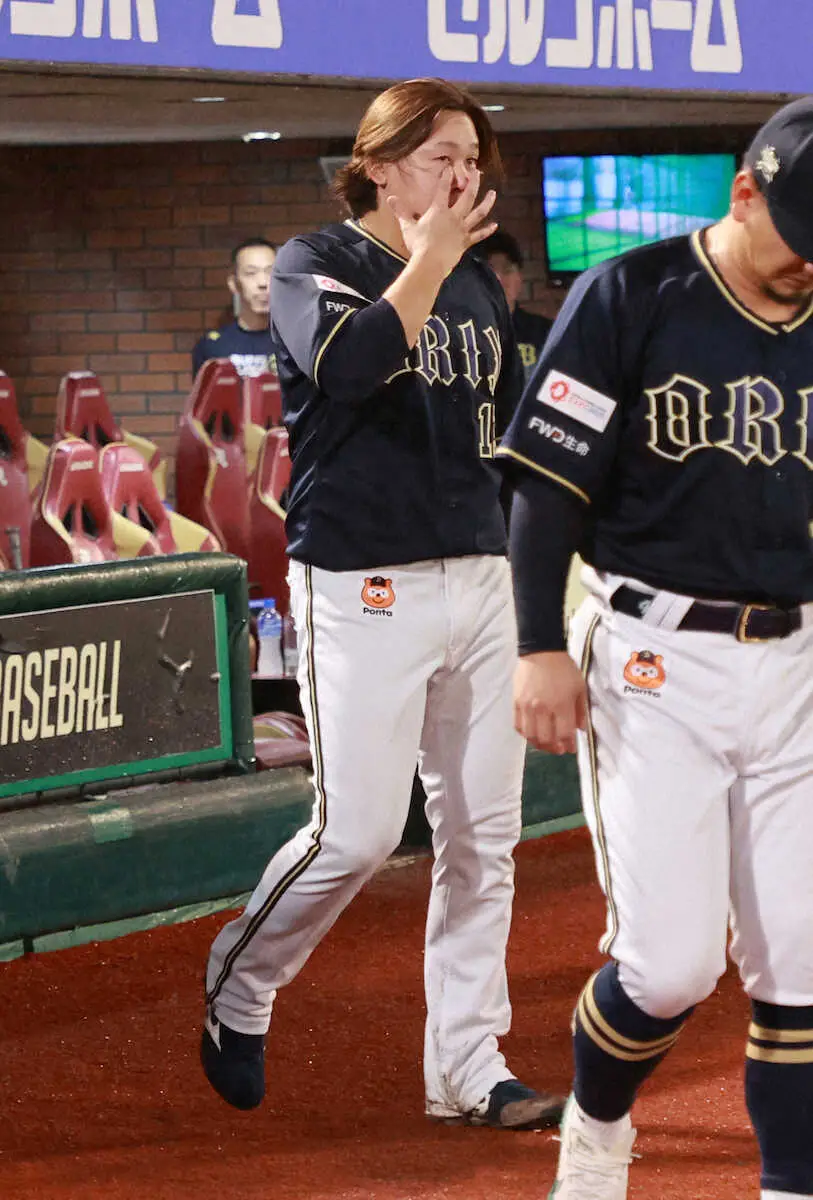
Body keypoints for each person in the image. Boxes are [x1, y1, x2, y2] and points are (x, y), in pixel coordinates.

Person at [200, 76, 563, 1132]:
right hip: (361, 582)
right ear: (382, 166)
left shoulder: (474, 292)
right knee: (355, 834)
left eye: (472, 161)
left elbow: (493, 433)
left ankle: (469, 1067)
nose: (464, 177)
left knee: (483, 836)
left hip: (477, 576)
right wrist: (434, 260)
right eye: (444, 155)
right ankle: (243, 976)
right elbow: (353, 370)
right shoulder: (316, 264)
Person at [497, 96, 813, 1198]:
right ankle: (596, 1130)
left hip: (801, 666)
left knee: (804, 965)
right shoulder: (632, 294)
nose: (809, 265)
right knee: (671, 966)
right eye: (801, 234)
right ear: (745, 189)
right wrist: (538, 644)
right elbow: (544, 486)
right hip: (654, 660)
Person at [191, 237, 277, 379]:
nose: (263, 283)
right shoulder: (212, 346)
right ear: (234, 284)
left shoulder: (297, 345)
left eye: (271, 272)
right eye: (251, 273)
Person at [477, 229, 552, 384]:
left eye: (507, 270)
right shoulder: (462, 333)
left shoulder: (545, 332)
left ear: (520, 278)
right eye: (490, 271)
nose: (499, 279)